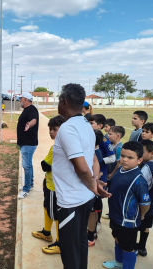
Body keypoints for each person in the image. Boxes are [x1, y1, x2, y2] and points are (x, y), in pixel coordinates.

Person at [53, 83, 110, 269]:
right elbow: (92, 157)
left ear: (64, 101)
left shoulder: (68, 128)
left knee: (70, 251)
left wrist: (92, 184)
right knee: (80, 243)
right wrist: (94, 181)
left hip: (72, 201)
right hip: (83, 198)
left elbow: (83, 169)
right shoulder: (86, 124)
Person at [103, 141, 150, 269]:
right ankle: (119, 262)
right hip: (115, 215)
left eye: (130, 158)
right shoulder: (120, 170)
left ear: (139, 160)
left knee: (128, 247)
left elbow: (145, 203)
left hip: (128, 221)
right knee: (117, 238)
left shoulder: (139, 179)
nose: (124, 160)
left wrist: (141, 215)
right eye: (123, 156)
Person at [32, 115, 65, 254]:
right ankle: (46, 232)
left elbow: (45, 165)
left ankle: (60, 243)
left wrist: (45, 164)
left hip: (54, 186)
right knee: (47, 207)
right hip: (50, 182)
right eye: (50, 129)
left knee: (56, 214)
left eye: (55, 129)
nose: (51, 132)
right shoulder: (61, 145)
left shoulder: (57, 147)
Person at [88, 114, 116, 231]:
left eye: (91, 123)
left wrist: (98, 161)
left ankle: (97, 223)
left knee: (97, 200)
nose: (89, 125)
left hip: (100, 175)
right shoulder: (88, 135)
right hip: (91, 175)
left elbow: (112, 158)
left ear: (99, 126)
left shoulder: (104, 140)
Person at [135, 140, 153, 257]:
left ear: (151, 153)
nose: (139, 154)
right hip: (152, 203)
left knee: (137, 225)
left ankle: (134, 247)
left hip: (143, 204)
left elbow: (142, 186)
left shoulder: (147, 167)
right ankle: (142, 247)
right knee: (146, 226)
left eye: (142, 152)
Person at [17, 92, 39, 199]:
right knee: (29, 165)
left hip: (28, 143)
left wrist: (29, 125)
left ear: (25, 100)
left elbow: (33, 120)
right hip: (25, 142)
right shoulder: (27, 110)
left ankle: (26, 189)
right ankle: (30, 183)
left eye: (21, 99)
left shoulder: (32, 110)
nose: (20, 100)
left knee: (26, 166)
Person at [88, 129, 107, 247]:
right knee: (93, 211)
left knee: (91, 212)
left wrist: (92, 179)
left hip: (93, 187)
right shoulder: (95, 150)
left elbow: (98, 173)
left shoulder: (96, 153)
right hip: (93, 186)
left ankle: (90, 237)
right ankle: (92, 232)